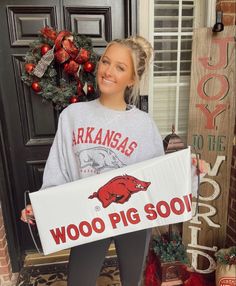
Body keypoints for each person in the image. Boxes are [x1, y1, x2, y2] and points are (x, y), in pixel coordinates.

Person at [21, 35, 203, 285]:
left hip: (133, 216)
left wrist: (191, 172)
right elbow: (60, 168)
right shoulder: (73, 115)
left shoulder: (142, 124)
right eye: (106, 62)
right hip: (87, 213)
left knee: (132, 280)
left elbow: (160, 180)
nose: (108, 71)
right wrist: (43, 208)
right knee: (79, 280)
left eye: (120, 67)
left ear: (132, 79)